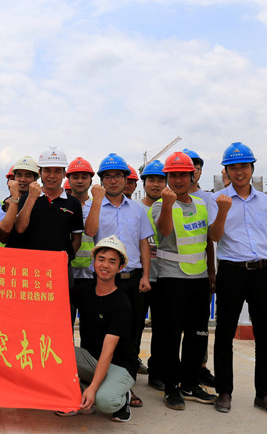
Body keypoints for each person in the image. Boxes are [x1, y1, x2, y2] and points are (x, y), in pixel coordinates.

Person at [208, 142, 267, 416]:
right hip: (231, 271)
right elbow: (214, 236)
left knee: (266, 337)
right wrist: (223, 211)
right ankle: (224, 392)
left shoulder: (264, 201)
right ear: (226, 171)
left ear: (252, 168)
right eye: (233, 167)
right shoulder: (218, 199)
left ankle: (264, 394)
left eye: (244, 166)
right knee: (224, 334)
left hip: (262, 272)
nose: (239, 172)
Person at [84, 152, 153, 407]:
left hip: (132, 279)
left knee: (131, 336)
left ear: (126, 179)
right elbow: (90, 231)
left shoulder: (138, 210)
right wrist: (96, 202)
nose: (113, 181)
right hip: (102, 281)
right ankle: (94, 380)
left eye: (118, 176)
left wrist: (146, 276)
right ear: (102, 180)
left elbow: (143, 243)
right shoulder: (92, 206)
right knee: (96, 334)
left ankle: (126, 385)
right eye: (108, 176)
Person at [152, 152, 217, 410]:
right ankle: (171, 387)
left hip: (199, 279)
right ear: (168, 178)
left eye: (183, 175)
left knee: (198, 335)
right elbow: (164, 231)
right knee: (171, 336)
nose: (178, 180)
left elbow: (208, 240)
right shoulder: (160, 205)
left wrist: (211, 271)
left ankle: (191, 383)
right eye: (173, 175)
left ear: (193, 176)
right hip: (171, 279)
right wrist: (168, 205)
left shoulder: (201, 205)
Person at [70, 235, 138, 422]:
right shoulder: (85, 290)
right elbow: (56, 294)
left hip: (120, 365)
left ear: (120, 268)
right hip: (92, 359)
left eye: (112, 262)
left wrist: (93, 388)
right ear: (93, 262)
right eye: (101, 259)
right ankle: (78, 394)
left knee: (105, 401)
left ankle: (122, 397)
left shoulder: (121, 304)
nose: (105, 265)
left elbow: (108, 352)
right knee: (55, 353)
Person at [12, 146, 83, 316]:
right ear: (40, 172)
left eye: (57, 171)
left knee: (62, 315)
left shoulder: (73, 203)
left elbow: (77, 240)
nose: (52, 175)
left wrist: (63, 259)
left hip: (60, 271)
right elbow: (20, 228)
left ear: (64, 174)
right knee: (28, 315)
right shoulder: (26, 198)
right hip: (30, 271)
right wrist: (31, 197)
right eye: (47, 170)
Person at [182, 148, 216, 388]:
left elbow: (209, 239)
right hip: (173, 273)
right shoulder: (169, 197)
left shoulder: (207, 199)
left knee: (199, 327)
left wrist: (211, 271)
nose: (193, 170)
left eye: (196, 166)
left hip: (199, 271)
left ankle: (200, 368)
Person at [138, 159, 166, 391]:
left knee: (163, 328)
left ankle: (157, 373)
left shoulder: (172, 207)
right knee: (134, 325)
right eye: (151, 180)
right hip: (141, 276)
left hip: (166, 276)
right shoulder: (135, 209)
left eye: (160, 180)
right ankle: (129, 367)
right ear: (144, 182)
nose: (156, 184)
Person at [65, 157, 96, 324]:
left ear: (91, 179)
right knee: (64, 323)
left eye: (84, 177)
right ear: (68, 179)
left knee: (90, 326)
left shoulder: (98, 206)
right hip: (66, 273)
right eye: (75, 177)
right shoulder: (61, 205)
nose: (80, 181)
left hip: (91, 275)